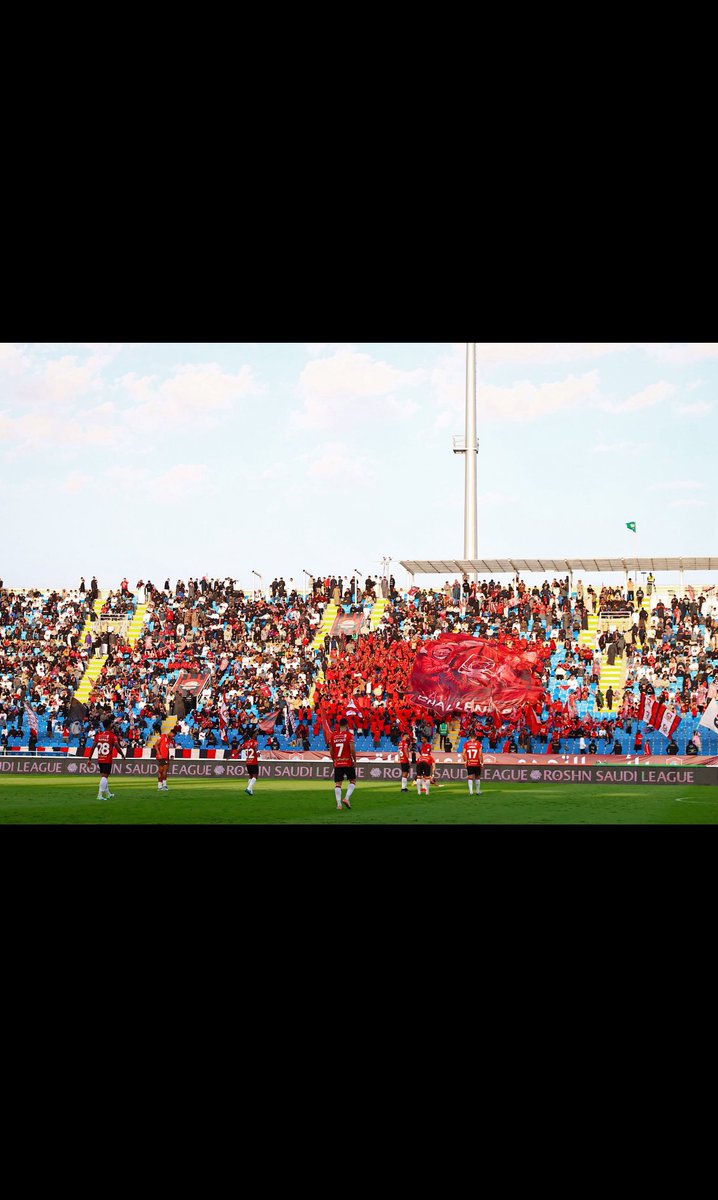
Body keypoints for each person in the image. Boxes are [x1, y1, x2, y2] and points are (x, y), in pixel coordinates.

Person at [88, 717, 125, 800]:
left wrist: (89, 758)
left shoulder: (98, 735)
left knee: (104, 776)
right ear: (109, 725)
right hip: (107, 759)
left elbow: (93, 747)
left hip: (100, 758)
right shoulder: (112, 736)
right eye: (111, 724)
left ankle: (108, 794)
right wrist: (122, 754)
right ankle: (99, 795)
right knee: (104, 777)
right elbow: (117, 747)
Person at [328, 716, 356, 811]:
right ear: (347, 725)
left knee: (338, 784)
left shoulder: (333, 735)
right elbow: (352, 748)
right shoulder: (349, 735)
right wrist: (354, 759)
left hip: (338, 763)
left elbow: (331, 750)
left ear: (339, 725)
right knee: (352, 781)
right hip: (347, 762)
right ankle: (346, 798)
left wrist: (334, 760)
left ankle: (339, 804)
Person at [155, 727, 175, 791]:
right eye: (173, 735)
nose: (173, 737)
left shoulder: (169, 739)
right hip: (161, 756)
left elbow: (167, 749)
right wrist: (159, 754)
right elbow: (156, 744)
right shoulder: (163, 736)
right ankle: (162, 786)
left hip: (166, 757)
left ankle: (161, 786)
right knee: (162, 771)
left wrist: (169, 756)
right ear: (171, 733)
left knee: (163, 771)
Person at [241, 729, 260, 794]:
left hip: (248, 762)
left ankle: (251, 791)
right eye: (255, 733)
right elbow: (255, 747)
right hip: (253, 762)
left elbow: (240, 748)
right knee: (255, 776)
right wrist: (257, 752)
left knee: (250, 776)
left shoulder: (246, 742)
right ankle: (248, 788)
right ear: (253, 735)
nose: (257, 734)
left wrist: (233, 754)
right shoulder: (255, 742)